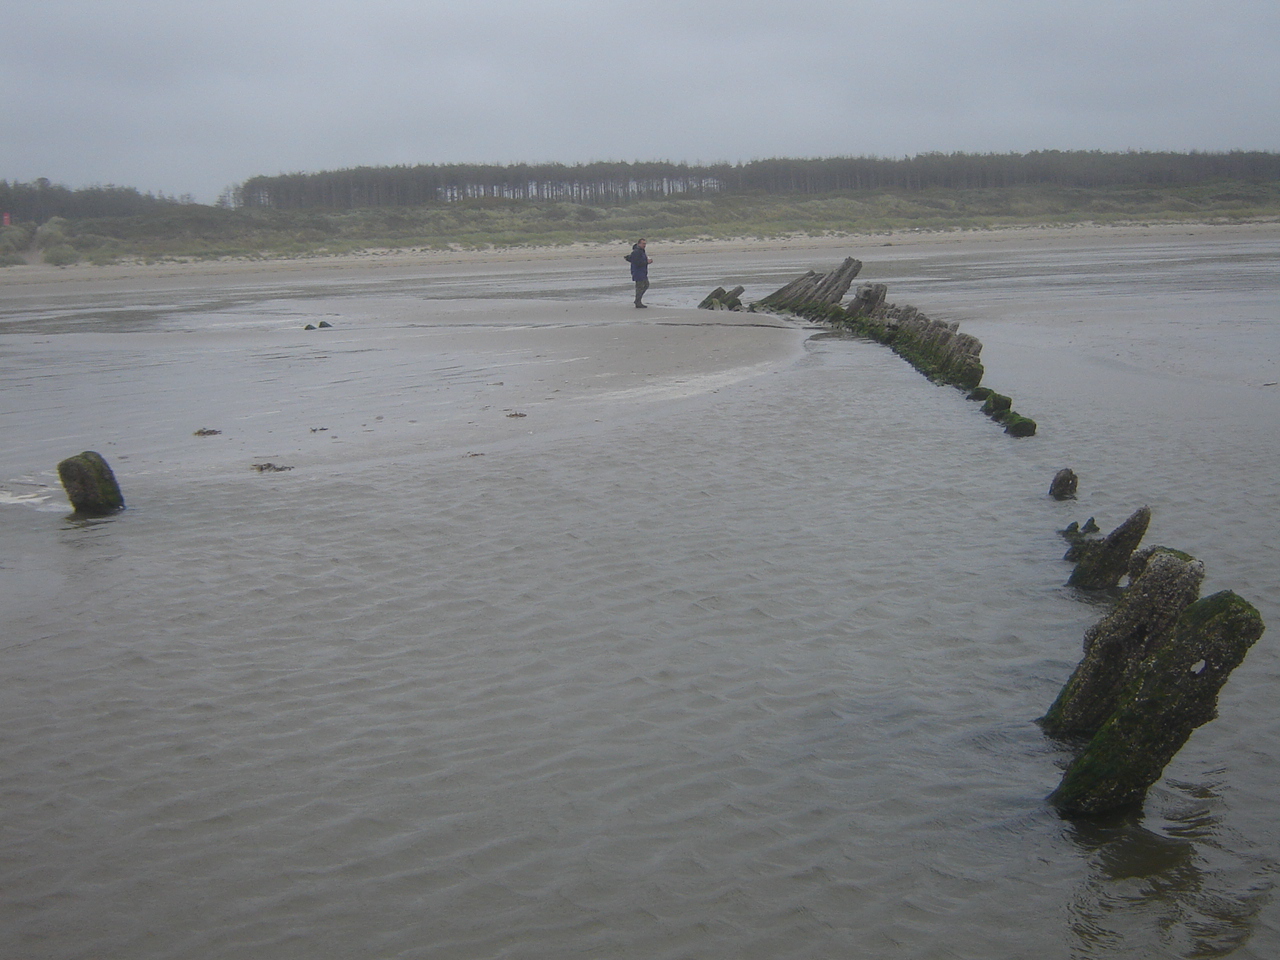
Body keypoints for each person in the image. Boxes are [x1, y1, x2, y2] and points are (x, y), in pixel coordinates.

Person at [628, 238, 652, 308]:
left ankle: (637, 300)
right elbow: (637, 262)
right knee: (640, 287)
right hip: (638, 272)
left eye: (645, 244)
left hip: (642, 272)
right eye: (643, 243)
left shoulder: (641, 251)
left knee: (646, 285)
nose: (644, 245)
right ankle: (638, 302)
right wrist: (647, 262)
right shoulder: (636, 252)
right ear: (639, 244)